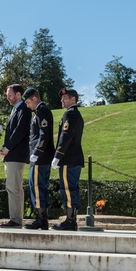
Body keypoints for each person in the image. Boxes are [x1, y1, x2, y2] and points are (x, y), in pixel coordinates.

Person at [53, 88, 85, 231]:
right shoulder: (74, 114)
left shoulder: (70, 115)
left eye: (65, 98)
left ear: (73, 99)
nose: (62, 100)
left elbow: (65, 137)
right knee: (71, 188)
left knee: (68, 189)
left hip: (68, 158)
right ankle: (71, 219)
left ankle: (70, 220)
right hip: (73, 158)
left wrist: (58, 155)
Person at [0, 83, 31, 228]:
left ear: (19, 94)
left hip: (17, 154)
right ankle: (17, 219)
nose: (8, 98)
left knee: (13, 188)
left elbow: (19, 132)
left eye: (10, 95)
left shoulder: (24, 109)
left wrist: (7, 147)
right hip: (12, 155)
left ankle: (16, 220)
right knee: (16, 188)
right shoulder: (15, 110)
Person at [24, 88, 54, 230]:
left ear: (34, 98)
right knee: (39, 187)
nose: (27, 105)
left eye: (28, 102)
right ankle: (42, 219)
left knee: (36, 187)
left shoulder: (42, 110)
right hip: (41, 157)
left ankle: (41, 219)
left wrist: (37, 152)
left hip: (40, 158)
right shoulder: (39, 111)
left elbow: (44, 134)